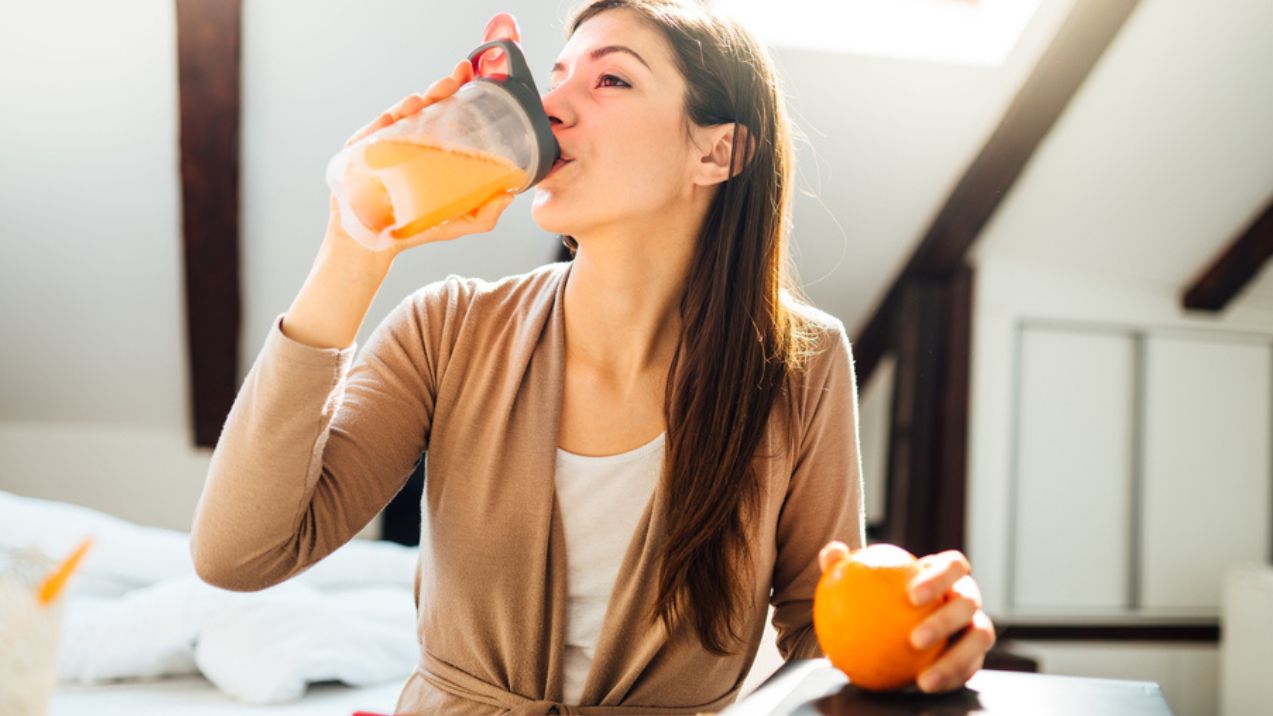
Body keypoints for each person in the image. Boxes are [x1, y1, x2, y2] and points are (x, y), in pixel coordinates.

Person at [190, 1, 996, 713]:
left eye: (610, 81)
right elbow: (238, 554)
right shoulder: (445, 329)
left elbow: (822, 632)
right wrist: (354, 247)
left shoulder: (800, 363)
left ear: (718, 154)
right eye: (556, 75)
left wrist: (916, 649)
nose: (549, 105)